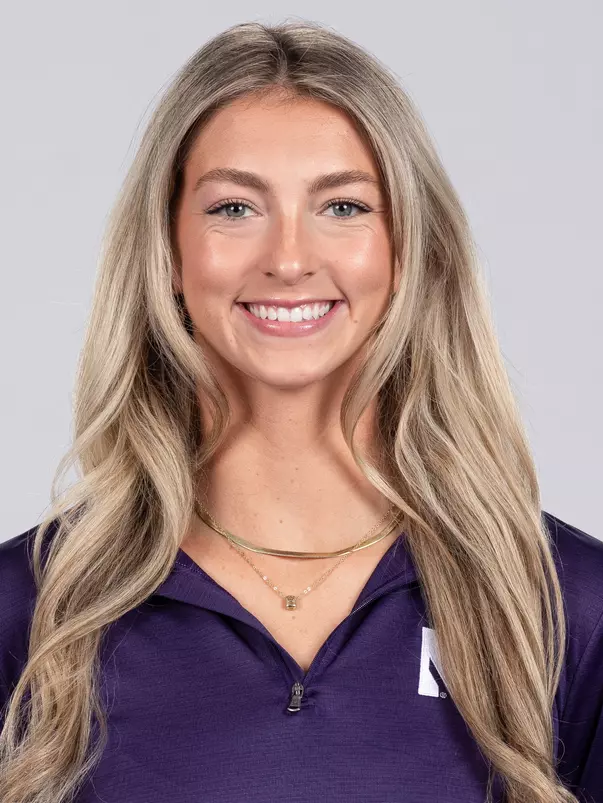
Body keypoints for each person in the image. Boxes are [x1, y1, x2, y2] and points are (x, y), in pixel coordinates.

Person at [0, 19, 601, 803]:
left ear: (408, 251)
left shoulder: (564, 605)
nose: (288, 259)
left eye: (344, 206)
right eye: (233, 208)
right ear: (168, 251)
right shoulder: (29, 610)